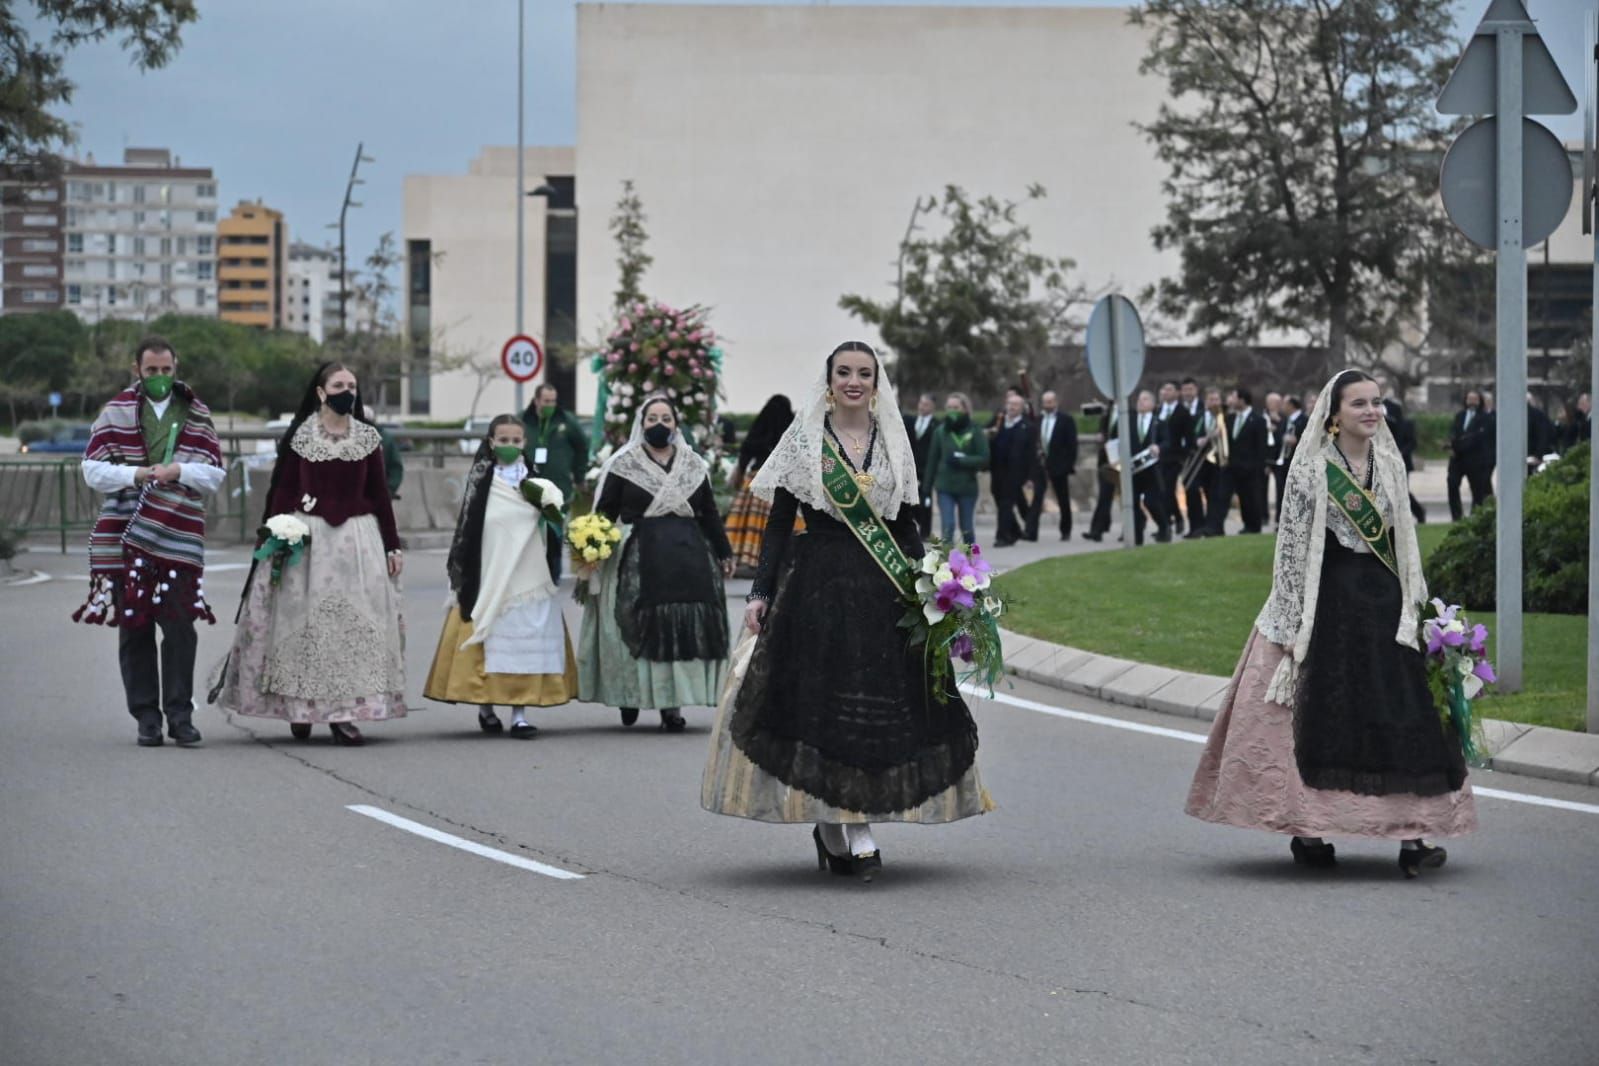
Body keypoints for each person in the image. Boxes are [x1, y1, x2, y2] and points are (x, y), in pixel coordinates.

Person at [702, 341, 992, 881]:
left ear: (876, 382)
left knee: (876, 708)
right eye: (843, 372)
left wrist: (934, 584)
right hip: (817, 586)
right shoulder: (804, 440)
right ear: (829, 380)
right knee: (820, 707)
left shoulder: (893, 442)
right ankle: (834, 826)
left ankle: (857, 823)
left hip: (883, 589)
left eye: (863, 373)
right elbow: (779, 522)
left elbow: (905, 524)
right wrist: (761, 591)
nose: (853, 381)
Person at [1186, 369, 1476, 876]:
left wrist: (1421, 608)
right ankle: (1311, 830)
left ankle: (1413, 837)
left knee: (1404, 718)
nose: (1372, 411)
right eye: (1359, 403)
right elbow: (1293, 551)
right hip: (1329, 606)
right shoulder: (1312, 470)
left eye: (1377, 403)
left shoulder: (1390, 464)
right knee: (1319, 716)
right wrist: (1293, 623)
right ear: (1334, 415)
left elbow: (1405, 543)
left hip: (1386, 605)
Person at [214, 363, 406, 746]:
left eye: (352, 385)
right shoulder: (301, 437)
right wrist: (271, 539)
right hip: (309, 541)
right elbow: (283, 491)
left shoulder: (367, 438)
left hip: (355, 541)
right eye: (338, 385)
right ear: (321, 392)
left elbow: (380, 495)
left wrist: (392, 543)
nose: (346, 391)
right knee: (303, 626)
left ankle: (345, 715)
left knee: (350, 626)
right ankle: (299, 709)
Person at [76, 336, 225, 747]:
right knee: (134, 627)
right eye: (151, 370)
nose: (159, 377)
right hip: (126, 534)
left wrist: (179, 470)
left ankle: (180, 715)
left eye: (166, 370)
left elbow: (214, 472)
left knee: (180, 627)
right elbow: (91, 470)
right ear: (136, 369)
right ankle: (146, 717)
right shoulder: (115, 412)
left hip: (177, 533)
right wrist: (136, 475)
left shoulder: (196, 413)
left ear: (176, 369)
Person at [579, 395, 733, 732]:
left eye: (666, 418)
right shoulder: (624, 464)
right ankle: (630, 695)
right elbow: (604, 511)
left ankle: (671, 706)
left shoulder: (694, 466)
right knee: (637, 625)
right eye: (652, 419)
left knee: (678, 628)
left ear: (677, 425)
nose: (659, 425)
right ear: (641, 423)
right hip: (638, 555)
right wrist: (591, 550)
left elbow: (708, 513)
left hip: (687, 556)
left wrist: (723, 551)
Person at [424, 415, 577, 737]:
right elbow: (470, 523)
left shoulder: (536, 482)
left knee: (524, 636)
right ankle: (486, 706)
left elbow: (548, 521)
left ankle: (519, 714)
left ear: (525, 443)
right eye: (503, 440)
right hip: (489, 568)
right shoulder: (481, 478)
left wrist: (549, 514)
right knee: (488, 631)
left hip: (526, 570)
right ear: (491, 442)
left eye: (516, 440)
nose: (510, 446)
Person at [521, 383, 590, 581]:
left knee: (554, 532)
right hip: (528, 488)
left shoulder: (566, 421)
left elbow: (581, 448)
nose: (550, 404)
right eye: (546, 401)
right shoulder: (523, 421)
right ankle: (529, 573)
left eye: (553, 401)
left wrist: (579, 476)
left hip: (558, 489)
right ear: (536, 401)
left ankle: (553, 573)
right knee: (529, 533)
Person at [725, 394, 796, 578]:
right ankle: (779, 563)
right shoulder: (791, 431)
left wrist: (740, 473)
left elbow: (746, 451)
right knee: (778, 526)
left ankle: (757, 562)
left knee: (755, 527)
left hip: (757, 479)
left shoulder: (759, 429)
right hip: (783, 482)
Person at [922, 392, 989, 547]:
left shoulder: (974, 431)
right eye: (949, 407)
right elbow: (932, 461)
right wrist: (926, 489)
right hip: (945, 487)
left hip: (967, 487)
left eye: (956, 407)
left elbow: (984, 458)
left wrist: (962, 460)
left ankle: (974, 560)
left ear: (965, 409)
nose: (952, 410)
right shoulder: (940, 432)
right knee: (948, 526)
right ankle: (947, 564)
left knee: (967, 530)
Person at [1204, 385, 1267, 535]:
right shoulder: (1229, 418)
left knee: (1248, 499)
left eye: (1233, 396)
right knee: (1221, 496)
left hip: (1249, 468)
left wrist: (1258, 467)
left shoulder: (1258, 420)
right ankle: (1215, 527)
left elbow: (1261, 447)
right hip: (1230, 467)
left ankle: (1252, 526)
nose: (1230, 400)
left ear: (1242, 400)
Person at [1030, 390, 1079, 541]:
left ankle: (1066, 530)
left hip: (1059, 465)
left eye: (1050, 402)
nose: (1048, 405)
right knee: (1037, 498)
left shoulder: (1066, 420)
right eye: (1045, 402)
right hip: (1041, 465)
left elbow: (1072, 445)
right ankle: (1031, 531)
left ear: (1056, 402)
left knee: (1063, 499)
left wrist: (1067, 464)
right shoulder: (1038, 420)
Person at [989, 390, 1035, 547]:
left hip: (1016, 472)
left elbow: (1031, 453)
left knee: (1006, 503)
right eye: (1010, 404)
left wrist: (1029, 476)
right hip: (997, 469)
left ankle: (1002, 536)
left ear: (1022, 407)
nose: (1012, 407)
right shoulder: (999, 421)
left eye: (1016, 405)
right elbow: (986, 434)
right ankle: (1014, 530)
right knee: (998, 498)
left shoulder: (1027, 427)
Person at [1129, 389, 1171, 544]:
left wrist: (1159, 447)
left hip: (1152, 470)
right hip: (1133, 470)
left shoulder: (1158, 422)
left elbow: (1167, 442)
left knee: (1151, 502)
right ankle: (1137, 537)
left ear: (1153, 404)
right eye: (1140, 399)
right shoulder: (1129, 421)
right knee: (1131, 503)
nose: (1141, 402)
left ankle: (1164, 526)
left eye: (1145, 399)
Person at [1446, 390, 1494, 520]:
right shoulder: (1460, 416)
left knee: (1477, 491)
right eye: (1469, 399)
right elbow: (1453, 432)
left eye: (1475, 399)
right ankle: (1456, 516)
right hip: (1458, 459)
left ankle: (1475, 516)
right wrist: (1450, 445)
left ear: (1479, 401)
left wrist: (1460, 445)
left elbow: (1480, 438)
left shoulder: (1485, 418)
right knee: (1452, 483)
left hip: (1475, 460)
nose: (1472, 402)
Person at [1157, 380, 1193, 536]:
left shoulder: (1182, 412)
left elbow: (1188, 436)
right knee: (1162, 490)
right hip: (1160, 457)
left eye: (1170, 389)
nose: (1166, 392)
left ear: (1177, 393)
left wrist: (1183, 456)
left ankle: (1175, 519)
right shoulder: (1159, 411)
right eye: (1164, 389)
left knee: (1169, 489)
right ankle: (1169, 521)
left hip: (1175, 458)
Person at [1383, 396, 1426, 524]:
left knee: (1402, 491)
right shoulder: (1385, 424)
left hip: (1402, 462)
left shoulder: (1407, 424)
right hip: (1387, 462)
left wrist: (1401, 452)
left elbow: (1412, 442)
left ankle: (1418, 511)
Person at [903, 393, 938, 539]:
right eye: (921, 403)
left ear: (933, 407)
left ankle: (925, 530)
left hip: (927, 468)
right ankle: (914, 523)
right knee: (910, 499)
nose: (922, 407)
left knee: (925, 499)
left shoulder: (936, 425)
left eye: (926, 404)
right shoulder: (910, 421)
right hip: (911, 467)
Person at [1179, 379, 1210, 537]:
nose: (1187, 393)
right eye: (1184, 390)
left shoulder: (1203, 408)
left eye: (1190, 389)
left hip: (1204, 457)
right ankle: (1194, 527)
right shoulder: (1179, 409)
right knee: (1190, 491)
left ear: (1196, 390)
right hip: (1187, 458)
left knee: (1207, 491)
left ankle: (1208, 525)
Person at [1263, 391, 1287, 526]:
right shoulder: (1262, 417)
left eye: (1277, 402)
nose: (1274, 405)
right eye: (1271, 402)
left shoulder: (1283, 418)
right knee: (1261, 488)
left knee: (1280, 488)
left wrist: (1276, 428)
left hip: (1279, 458)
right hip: (1265, 457)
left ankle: (1279, 516)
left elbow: (1283, 436)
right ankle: (1263, 516)